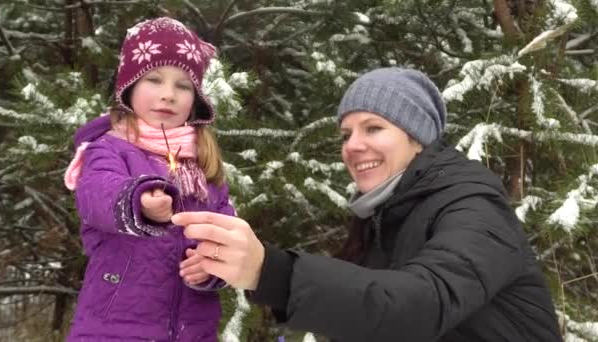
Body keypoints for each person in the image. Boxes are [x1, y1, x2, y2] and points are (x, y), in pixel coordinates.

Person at [174, 68, 563, 341]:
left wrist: (271, 272)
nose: (353, 145)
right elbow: (371, 320)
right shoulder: (382, 215)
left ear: (418, 137)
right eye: (346, 133)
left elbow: (421, 306)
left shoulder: (472, 204)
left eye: (374, 128)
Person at [63, 17, 235, 341]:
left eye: (183, 86)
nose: (168, 95)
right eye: (154, 79)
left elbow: (226, 229)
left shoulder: (204, 166)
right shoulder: (109, 148)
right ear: (129, 88)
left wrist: (212, 265)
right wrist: (137, 200)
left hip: (193, 332)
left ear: (195, 99)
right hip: (113, 329)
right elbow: (95, 193)